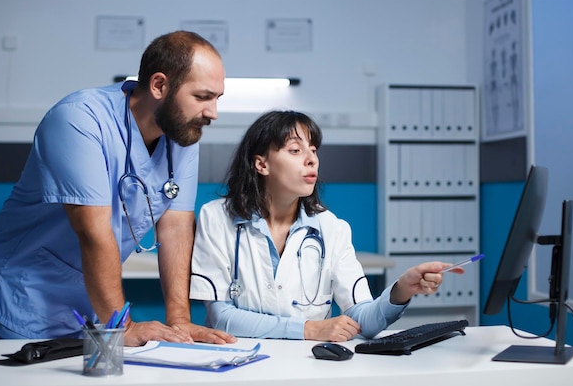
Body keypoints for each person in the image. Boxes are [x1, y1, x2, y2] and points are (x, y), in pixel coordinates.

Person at [0, 30, 236, 346]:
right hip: (24, 300)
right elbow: (94, 231)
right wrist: (123, 325)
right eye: (202, 97)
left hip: (93, 308)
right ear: (159, 85)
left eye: (217, 98)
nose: (212, 112)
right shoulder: (79, 119)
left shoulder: (181, 133)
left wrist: (179, 320)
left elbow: (175, 228)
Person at [189, 110, 463, 341]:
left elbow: (363, 319)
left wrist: (402, 289)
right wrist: (307, 329)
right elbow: (221, 317)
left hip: (309, 368)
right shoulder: (216, 218)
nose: (311, 159)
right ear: (261, 164)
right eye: (295, 150)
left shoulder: (331, 228)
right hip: (241, 367)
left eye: (313, 150)